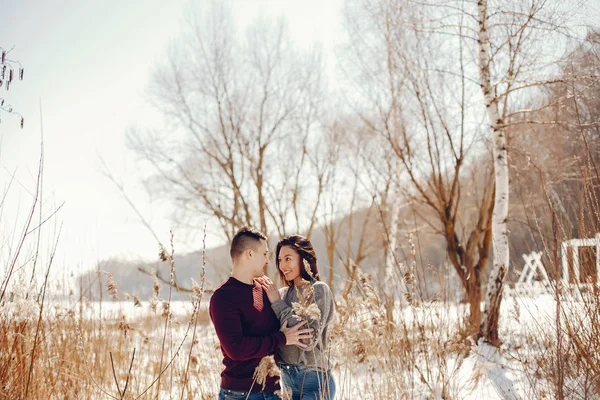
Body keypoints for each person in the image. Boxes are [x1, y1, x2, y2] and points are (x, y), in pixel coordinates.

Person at [209, 227, 314, 400]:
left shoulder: (265, 290)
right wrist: (282, 338)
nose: (267, 261)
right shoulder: (223, 297)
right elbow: (236, 349)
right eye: (264, 254)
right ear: (249, 254)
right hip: (241, 394)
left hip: (273, 390)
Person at [256, 234, 336, 400]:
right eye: (279, 260)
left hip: (314, 380)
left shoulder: (319, 290)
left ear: (303, 258)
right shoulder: (282, 294)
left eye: (288, 258)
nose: (282, 265)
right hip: (287, 380)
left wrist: (277, 304)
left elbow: (307, 340)